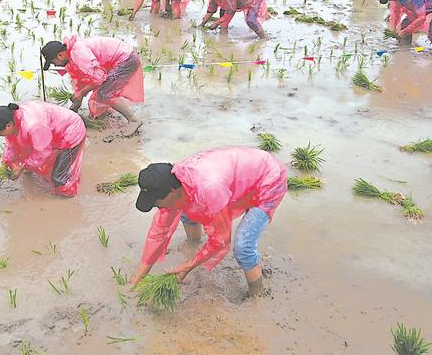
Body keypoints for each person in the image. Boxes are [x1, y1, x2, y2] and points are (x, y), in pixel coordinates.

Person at [130, 147, 288, 297]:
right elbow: (158, 234)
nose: (157, 207)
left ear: (172, 191)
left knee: (243, 246)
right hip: (241, 173)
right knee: (184, 209)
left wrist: (188, 266)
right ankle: (193, 244)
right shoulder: (173, 181)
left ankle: (257, 297)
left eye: (156, 202)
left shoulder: (209, 189)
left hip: (269, 180)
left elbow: (221, 239)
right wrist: (136, 281)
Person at [0, 101, 87, 197]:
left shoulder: (33, 126)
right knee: (29, 160)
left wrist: (22, 167)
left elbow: (43, 153)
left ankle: (68, 197)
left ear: (8, 126)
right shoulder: (13, 118)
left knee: (58, 177)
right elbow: (11, 146)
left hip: (71, 132)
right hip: (50, 131)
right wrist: (6, 163)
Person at [41, 36, 143, 122]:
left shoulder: (79, 55)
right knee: (102, 90)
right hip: (120, 59)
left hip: (127, 59)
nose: (55, 65)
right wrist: (76, 103)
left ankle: (133, 120)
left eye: (53, 62)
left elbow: (100, 78)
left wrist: (81, 93)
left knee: (105, 93)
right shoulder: (71, 56)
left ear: (60, 55)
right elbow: (83, 81)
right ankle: (103, 113)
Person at [195, 0, 269, 39]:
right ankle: (223, 35)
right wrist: (201, 25)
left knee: (251, 20)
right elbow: (211, 10)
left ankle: (263, 38)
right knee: (222, 11)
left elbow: (231, 11)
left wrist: (216, 22)